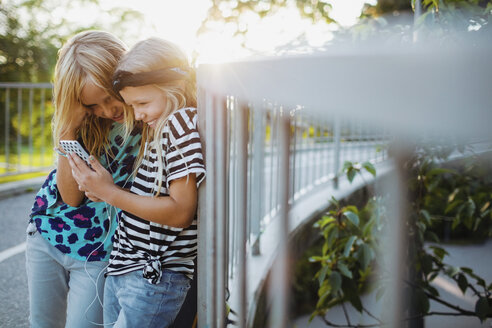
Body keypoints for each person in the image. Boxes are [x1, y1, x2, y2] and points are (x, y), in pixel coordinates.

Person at [68, 37, 205, 328]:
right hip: (126, 267)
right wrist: (104, 190)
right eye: (133, 105)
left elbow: (180, 211)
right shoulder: (163, 127)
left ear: (176, 88)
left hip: (152, 275)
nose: (138, 115)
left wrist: (111, 193)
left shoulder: (179, 124)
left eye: (142, 103)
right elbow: (155, 196)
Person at [26, 30, 141, 328]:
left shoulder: (146, 117)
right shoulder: (84, 123)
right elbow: (71, 196)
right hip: (47, 232)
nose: (107, 111)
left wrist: (108, 190)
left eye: (109, 97)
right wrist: (67, 130)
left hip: (97, 251)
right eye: (92, 105)